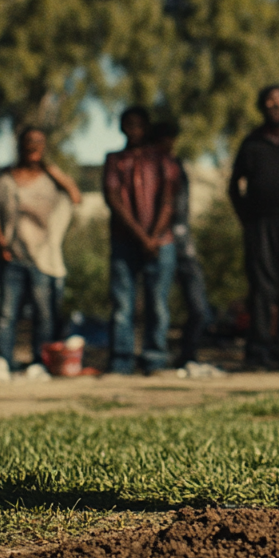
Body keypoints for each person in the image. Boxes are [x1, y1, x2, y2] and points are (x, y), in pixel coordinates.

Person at [0, 127, 80, 368]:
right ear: (20, 144)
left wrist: (52, 169)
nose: (34, 146)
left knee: (44, 315)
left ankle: (40, 363)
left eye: (40, 141)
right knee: (7, 314)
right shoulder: (6, 177)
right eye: (29, 141)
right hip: (13, 255)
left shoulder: (50, 178)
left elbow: (75, 196)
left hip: (42, 258)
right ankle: (3, 362)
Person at [229, 84, 279, 369]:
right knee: (263, 290)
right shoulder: (252, 143)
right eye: (267, 102)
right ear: (261, 108)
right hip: (261, 227)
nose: (273, 106)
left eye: (278, 101)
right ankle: (259, 352)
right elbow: (234, 186)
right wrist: (247, 220)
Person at [103, 106, 180, 375]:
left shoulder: (164, 160)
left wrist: (153, 237)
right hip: (125, 242)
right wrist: (141, 236)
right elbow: (114, 199)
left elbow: (168, 200)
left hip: (161, 243)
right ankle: (121, 361)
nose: (133, 130)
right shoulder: (114, 160)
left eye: (138, 124)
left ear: (146, 127)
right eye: (128, 124)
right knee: (123, 304)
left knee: (157, 304)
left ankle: (154, 359)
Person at [152, 120, 213, 368]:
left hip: (183, 243)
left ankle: (187, 354)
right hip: (159, 242)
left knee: (199, 308)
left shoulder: (176, 166)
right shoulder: (150, 168)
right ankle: (155, 358)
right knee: (157, 305)